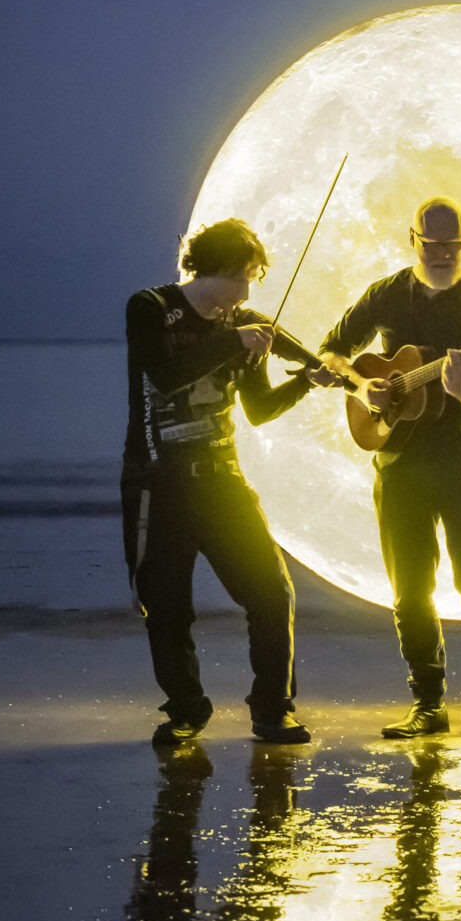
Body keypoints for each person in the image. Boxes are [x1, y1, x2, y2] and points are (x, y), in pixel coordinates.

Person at [122, 216, 329, 747]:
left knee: (272, 593)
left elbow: (259, 409)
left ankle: (273, 709)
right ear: (211, 270)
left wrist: (309, 378)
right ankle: (186, 709)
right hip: (158, 483)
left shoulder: (244, 324)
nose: (246, 293)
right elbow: (166, 374)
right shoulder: (150, 307)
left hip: (222, 479)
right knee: (165, 606)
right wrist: (233, 340)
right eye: (241, 278)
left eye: (251, 281)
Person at [320, 196, 461, 750]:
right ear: (413, 240)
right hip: (399, 461)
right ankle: (427, 705)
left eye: (454, 244)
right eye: (433, 245)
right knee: (409, 589)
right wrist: (363, 385)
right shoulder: (386, 294)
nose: (444, 254)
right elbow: (332, 352)